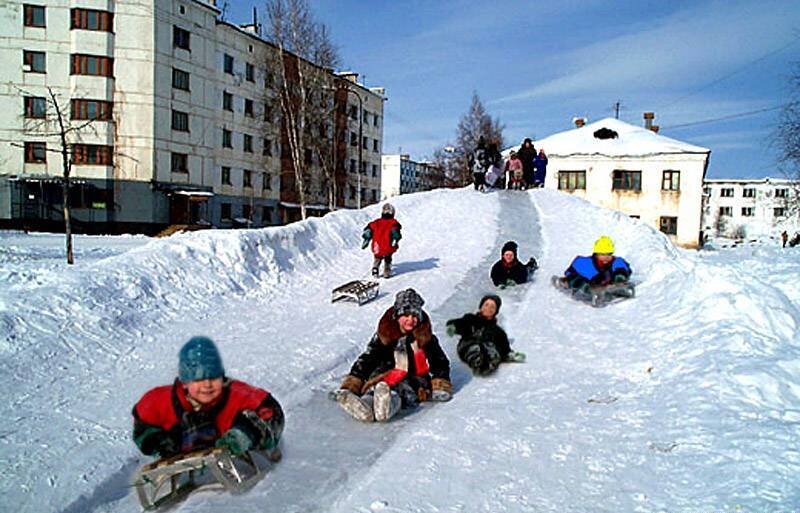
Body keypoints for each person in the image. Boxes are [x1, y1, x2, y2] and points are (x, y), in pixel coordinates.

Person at [132, 336, 284, 460]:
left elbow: (272, 413)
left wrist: (247, 433)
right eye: (197, 380)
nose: (207, 385)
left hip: (233, 436)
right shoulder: (157, 402)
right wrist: (157, 442)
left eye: (214, 378)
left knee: (246, 422)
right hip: (184, 443)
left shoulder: (240, 396)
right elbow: (142, 428)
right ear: (184, 383)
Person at [337, 289, 452, 422]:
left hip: (412, 377)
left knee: (402, 391)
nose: (411, 320)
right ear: (397, 316)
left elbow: (439, 361)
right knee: (375, 386)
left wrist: (440, 381)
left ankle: (387, 407)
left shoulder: (425, 338)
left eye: (415, 316)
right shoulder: (385, 335)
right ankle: (364, 407)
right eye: (406, 315)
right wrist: (353, 381)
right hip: (383, 373)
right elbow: (369, 358)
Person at [446, 295, 521, 376]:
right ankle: (477, 361)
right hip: (467, 345)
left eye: (492, 307)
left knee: (491, 348)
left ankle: (488, 363)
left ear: (496, 311)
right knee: (475, 347)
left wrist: (509, 355)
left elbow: (503, 345)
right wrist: (453, 327)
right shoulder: (471, 319)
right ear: (481, 307)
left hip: (487, 348)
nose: (488, 308)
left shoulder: (497, 331)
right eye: (486, 305)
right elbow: (462, 323)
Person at [563, 235, 631, 292]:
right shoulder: (587, 263)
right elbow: (574, 269)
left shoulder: (615, 262)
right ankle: (587, 290)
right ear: (596, 254)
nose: (606, 257)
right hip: (587, 282)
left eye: (609, 254)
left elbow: (623, 267)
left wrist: (620, 277)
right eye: (602, 254)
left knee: (619, 270)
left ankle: (619, 286)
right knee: (578, 279)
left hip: (606, 284)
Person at [362, 203, 402, 278]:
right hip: (388, 245)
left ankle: (375, 268)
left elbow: (368, 230)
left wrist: (366, 239)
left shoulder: (376, 222)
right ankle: (386, 271)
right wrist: (395, 239)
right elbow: (395, 233)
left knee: (377, 256)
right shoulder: (393, 223)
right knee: (388, 257)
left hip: (377, 246)